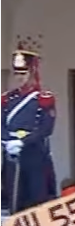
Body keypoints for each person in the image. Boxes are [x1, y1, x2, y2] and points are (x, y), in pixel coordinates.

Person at [1, 44, 57, 213]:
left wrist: (22, 142)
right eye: (17, 73)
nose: (20, 77)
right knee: (14, 200)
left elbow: (46, 128)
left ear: (32, 73)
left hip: (35, 156)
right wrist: (7, 141)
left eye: (23, 73)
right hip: (12, 154)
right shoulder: (7, 99)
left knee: (36, 200)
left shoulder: (43, 99)